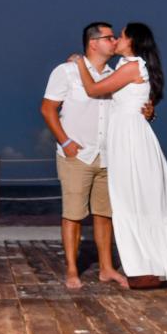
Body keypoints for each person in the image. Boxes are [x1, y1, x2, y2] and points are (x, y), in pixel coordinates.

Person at [72, 22, 167, 288]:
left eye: (121, 36)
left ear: (132, 41)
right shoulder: (125, 67)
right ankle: (148, 267)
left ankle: (162, 269)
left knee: (137, 199)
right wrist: (149, 112)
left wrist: (79, 64)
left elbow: (94, 90)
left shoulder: (133, 66)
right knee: (132, 200)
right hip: (125, 137)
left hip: (131, 139)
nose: (116, 40)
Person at [41, 22, 153, 289]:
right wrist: (65, 141)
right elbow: (47, 108)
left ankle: (106, 268)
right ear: (93, 43)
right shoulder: (67, 71)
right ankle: (72, 270)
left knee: (105, 214)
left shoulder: (117, 74)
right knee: (73, 214)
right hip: (77, 155)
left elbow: (133, 105)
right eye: (109, 37)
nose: (114, 41)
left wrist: (149, 112)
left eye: (116, 37)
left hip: (109, 155)